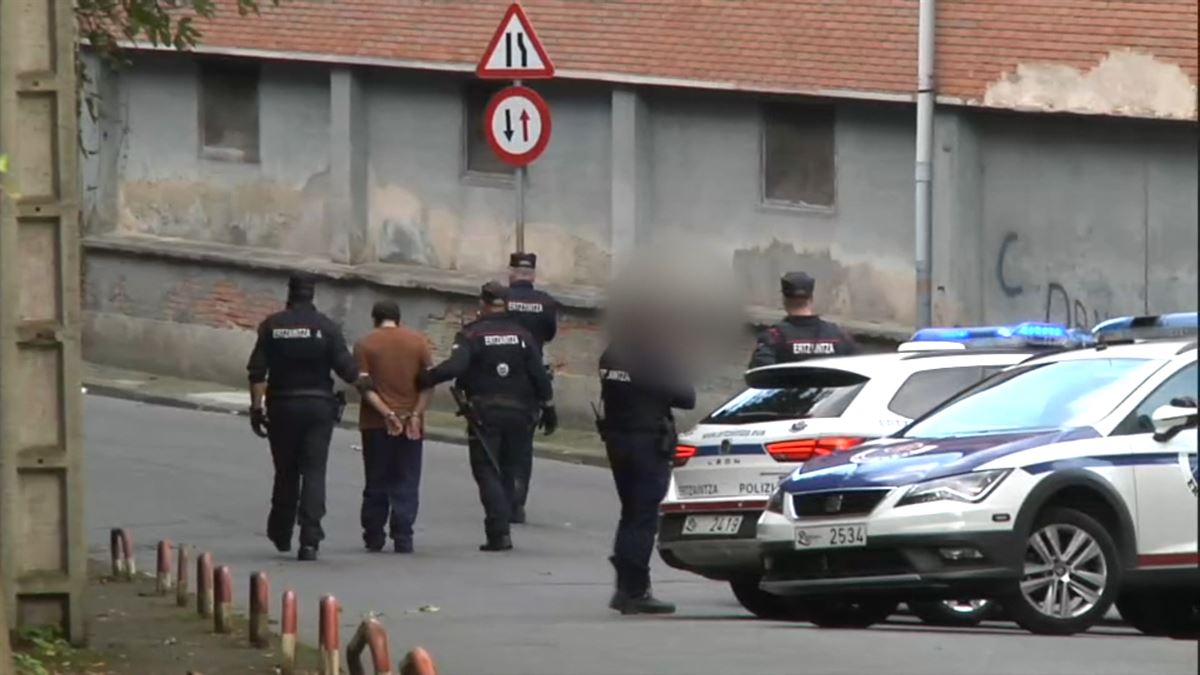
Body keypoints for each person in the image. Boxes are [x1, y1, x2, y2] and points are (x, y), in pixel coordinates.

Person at [418, 282, 556, 552]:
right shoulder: (523, 334)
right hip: (520, 411)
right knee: (509, 467)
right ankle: (510, 512)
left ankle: (499, 532)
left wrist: (426, 378)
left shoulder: (472, 334)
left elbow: (456, 367)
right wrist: (549, 406)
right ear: (505, 303)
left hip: (485, 412)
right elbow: (538, 374)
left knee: (487, 470)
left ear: (483, 303)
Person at [246, 272, 369, 562]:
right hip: (318, 407)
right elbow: (348, 371)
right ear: (312, 294)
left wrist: (256, 408)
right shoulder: (326, 327)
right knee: (314, 471)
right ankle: (310, 539)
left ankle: (281, 531)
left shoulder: (272, 326)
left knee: (286, 470)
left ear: (290, 293)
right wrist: (373, 385)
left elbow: (257, 372)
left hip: (283, 406)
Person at [598, 314, 696, 615]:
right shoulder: (652, 360)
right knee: (643, 516)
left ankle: (624, 587)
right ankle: (635, 590)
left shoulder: (610, 356)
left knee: (629, 512)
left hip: (617, 440)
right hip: (646, 442)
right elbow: (686, 396)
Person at [353, 299, 434, 554]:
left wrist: (387, 413)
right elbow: (428, 384)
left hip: (376, 424)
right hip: (411, 422)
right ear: (399, 318)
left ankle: (374, 534)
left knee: (376, 479)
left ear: (375, 318)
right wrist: (414, 414)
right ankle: (403, 535)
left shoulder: (365, 344)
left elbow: (365, 388)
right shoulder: (418, 341)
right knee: (406, 478)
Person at [503, 251, 560, 524]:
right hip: (530, 381)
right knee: (523, 446)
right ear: (533, 275)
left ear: (511, 272)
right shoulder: (546, 303)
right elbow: (548, 335)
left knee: (495, 443)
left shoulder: (501, 299)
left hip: (498, 379)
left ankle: (498, 498)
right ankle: (517, 500)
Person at [747, 271, 860, 370]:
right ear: (811, 299)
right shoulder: (838, 335)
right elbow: (858, 372)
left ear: (784, 300)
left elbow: (761, 377)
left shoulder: (773, 338)